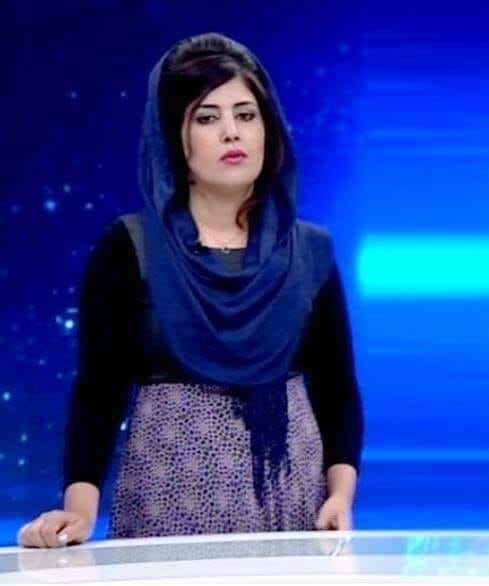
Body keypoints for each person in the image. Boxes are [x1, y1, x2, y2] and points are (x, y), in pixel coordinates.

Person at [17, 32, 364, 548]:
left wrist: (339, 495)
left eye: (246, 115)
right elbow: (98, 392)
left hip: (291, 499)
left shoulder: (309, 252)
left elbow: (337, 391)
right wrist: (79, 512)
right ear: (172, 138)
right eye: (207, 118)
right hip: (166, 499)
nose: (231, 132)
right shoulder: (128, 249)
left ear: (269, 130)